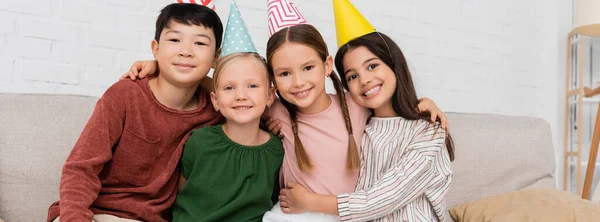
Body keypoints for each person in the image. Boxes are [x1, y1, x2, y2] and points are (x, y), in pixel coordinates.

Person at [277, 1, 455, 221]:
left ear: (393, 63)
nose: (365, 80)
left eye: (372, 66)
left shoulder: (429, 131)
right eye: (352, 76)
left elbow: (384, 198)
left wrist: (309, 201)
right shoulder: (360, 123)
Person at [47, 3, 223, 222]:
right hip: (95, 212)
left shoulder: (217, 111)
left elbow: (254, 100)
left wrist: (204, 79)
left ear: (216, 56)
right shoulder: (125, 95)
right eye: (175, 40)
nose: (185, 51)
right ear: (156, 48)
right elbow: (81, 168)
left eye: (199, 43)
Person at [170, 2, 284, 221]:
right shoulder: (199, 142)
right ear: (216, 100)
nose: (241, 95)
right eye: (229, 88)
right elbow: (180, 193)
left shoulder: (276, 150)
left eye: (252, 86)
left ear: (270, 96)